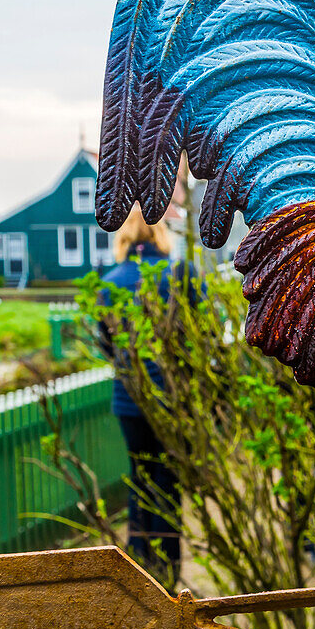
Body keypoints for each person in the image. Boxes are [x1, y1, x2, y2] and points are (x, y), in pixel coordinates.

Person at [98, 207, 186, 582]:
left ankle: (138, 564)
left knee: (140, 474)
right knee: (167, 476)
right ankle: (168, 565)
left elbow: (106, 343)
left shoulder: (110, 282)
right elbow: (201, 333)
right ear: (159, 236)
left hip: (129, 399)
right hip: (170, 395)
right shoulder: (180, 276)